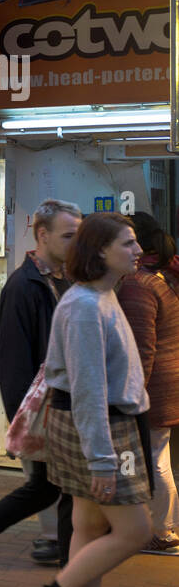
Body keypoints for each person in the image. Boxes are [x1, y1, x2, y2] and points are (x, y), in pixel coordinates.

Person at [0, 201, 93, 587]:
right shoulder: (24, 286)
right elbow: (14, 363)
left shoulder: (65, 279)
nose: (75, 244)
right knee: (65, 492)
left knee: (47, 490)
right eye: (68, 236)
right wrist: (22, 423)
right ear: (42, 235)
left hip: (61, 407)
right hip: (46, 411)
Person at [20, 212, 153, 587]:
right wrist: (100, 460)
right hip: (98, 429)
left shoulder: (99, 294)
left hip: (102, 424)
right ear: (100, 251)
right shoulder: (84, 306)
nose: (138, 251)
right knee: (135, 530)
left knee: (90, 526)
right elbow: (88, 390)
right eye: (128, 243)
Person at [116, 215, 179, 553]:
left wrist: (130, 395)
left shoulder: (138, 286)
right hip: (165, 384)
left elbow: (142, 350)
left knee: (154, 458)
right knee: (157, 456)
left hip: (154, 388)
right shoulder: (159, 278)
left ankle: (163, 533)